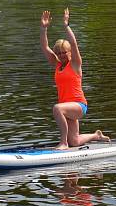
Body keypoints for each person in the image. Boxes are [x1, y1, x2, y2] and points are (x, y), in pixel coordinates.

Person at [39, 8, 109, 150]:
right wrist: (43, 28)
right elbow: (45, 46)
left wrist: (66, 25)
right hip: (67, 108)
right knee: (75, 141)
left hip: (78, 105)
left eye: (64, 52)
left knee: (57, 109)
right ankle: (96, 135)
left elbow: (74, 43)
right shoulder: (58, 65)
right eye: (59, 53)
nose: (61, 55)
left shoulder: (75, 64)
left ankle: (63, 143)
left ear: (70, 52)